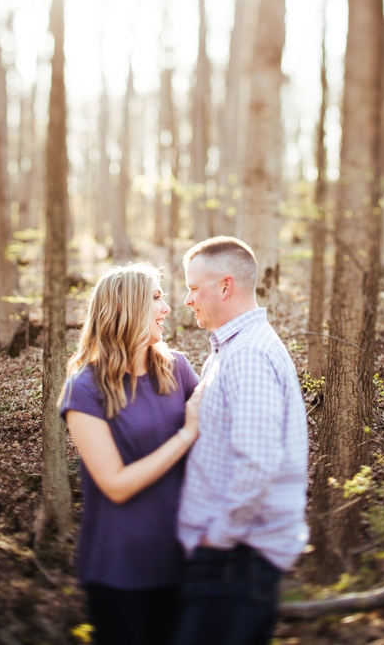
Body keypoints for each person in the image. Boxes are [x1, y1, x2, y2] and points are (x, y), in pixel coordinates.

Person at [61, 263, 206, 645]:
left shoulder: (178, 369)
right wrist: (186, 434)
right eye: (156, 298)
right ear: (126, 309)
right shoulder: (85, 390)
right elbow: (115, 485)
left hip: (182, 560)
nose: (167, 308)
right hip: (119, 569)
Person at [174, 236, 309, 645]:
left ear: (226, 287)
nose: (186, 299)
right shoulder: (229, 350)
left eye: (194, 288)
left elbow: (257, 462)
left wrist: (216, 537)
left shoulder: (248, 354)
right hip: (234, 557)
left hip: (235, 559)